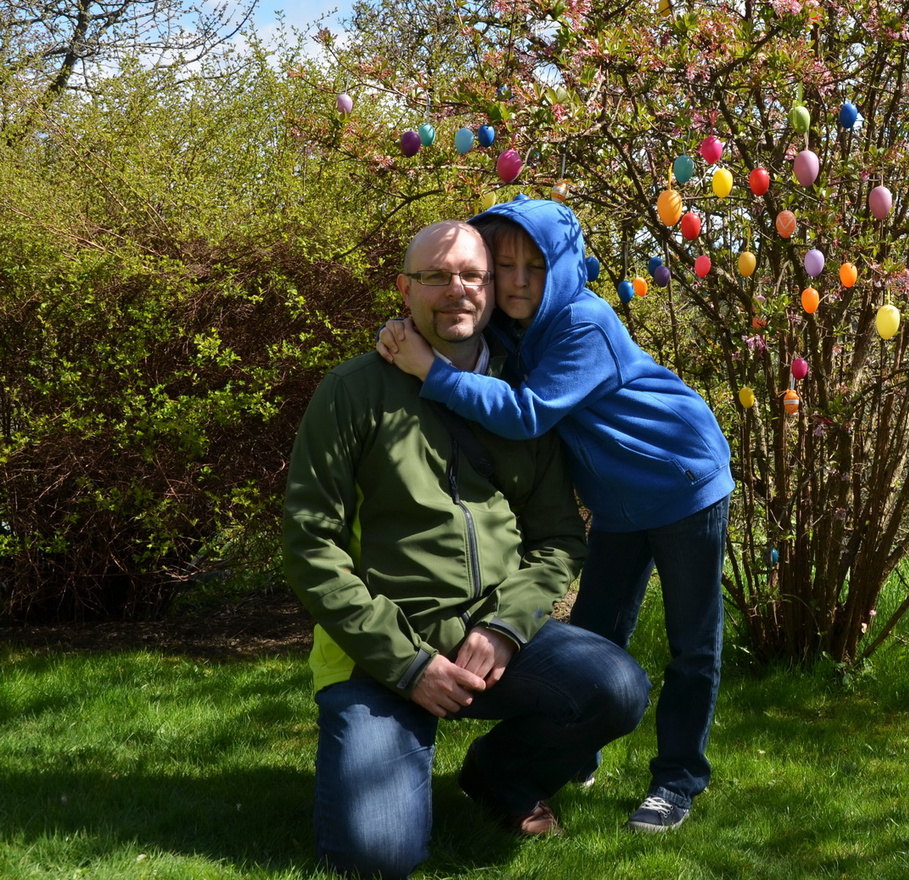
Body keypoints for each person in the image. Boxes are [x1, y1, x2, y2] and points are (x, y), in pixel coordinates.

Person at [284, 220, 650, 879]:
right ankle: (391, 754)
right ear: (404, 289)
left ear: (490, 290)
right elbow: (311, 545)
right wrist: (408, 665)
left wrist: (508, 626)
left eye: (471, 276)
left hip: (497, 645)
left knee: (617, 686)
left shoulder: (521, 400)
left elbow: (561, 541)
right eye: (435, 276)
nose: (456, 289)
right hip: (381, 659)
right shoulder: (350, 392)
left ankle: (500, 776)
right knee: (377, 859)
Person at [376, 196, 733, 833]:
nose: (516, 282)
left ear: (563, 268)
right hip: (618, 502)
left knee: (691, 645)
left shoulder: (582, 325)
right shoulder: (514, 330)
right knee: (595, 636)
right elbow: (452, 327)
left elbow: (526, 413)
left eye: (534, 268)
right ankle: (576, 750)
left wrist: (428, 369)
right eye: (503, 264)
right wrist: (403, 334)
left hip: (680, 480)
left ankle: (677, 779)